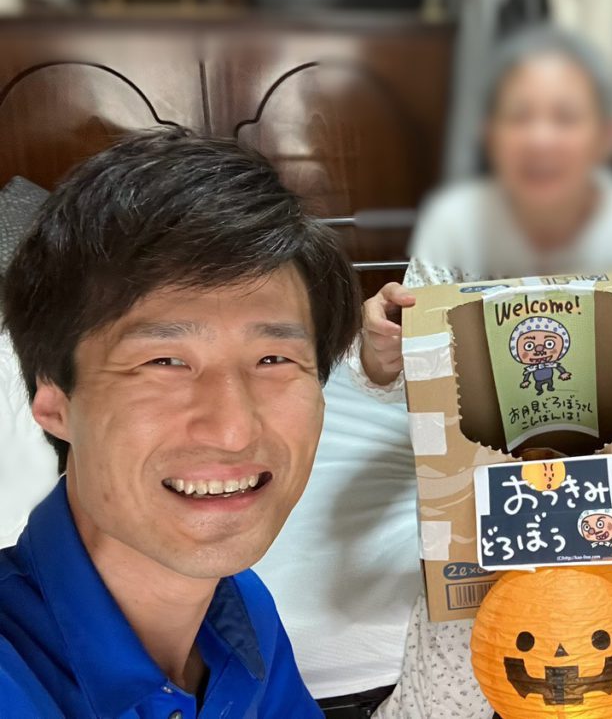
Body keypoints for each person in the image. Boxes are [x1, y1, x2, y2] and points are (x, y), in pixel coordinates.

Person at [348, 27, 612, 718]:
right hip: (484, 490)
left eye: (566, 118)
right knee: (450, 665)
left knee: (592, 663)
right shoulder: (455, 235)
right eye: (519, 117)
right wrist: (379, 351)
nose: (541, 139)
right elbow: (402, 380)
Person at [0, 128, 361, 717]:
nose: (234, 431)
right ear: (55, 401)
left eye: (274, 359)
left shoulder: (239, 613)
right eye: (164, 362)